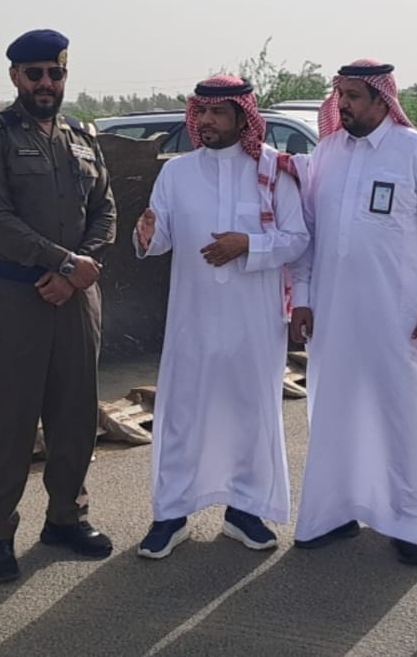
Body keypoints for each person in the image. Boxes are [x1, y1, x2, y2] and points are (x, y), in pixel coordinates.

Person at [0, 29, 117, 582]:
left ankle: (66, 518)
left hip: (75, 298)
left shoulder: (81, 136)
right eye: (35, 74)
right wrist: (65, 263)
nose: (46, 83)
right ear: (15, 78)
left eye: (55, 73)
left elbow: (105, 210)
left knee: (76, 413)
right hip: (10, 297)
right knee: (10, 420)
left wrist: (77, 271)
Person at [131, 75, 309, 559]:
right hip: (193, 318)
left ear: (243, 118)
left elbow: (297, 239)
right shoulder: (177, 174)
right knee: (182, 413)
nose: (206, 121)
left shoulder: (274, 170)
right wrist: (146, 236)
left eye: (218, 113)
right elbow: (159, 237)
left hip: (254, 321)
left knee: (250, 411)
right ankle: (171, 513)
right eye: (201, 113)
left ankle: (244, 511)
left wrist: (247, 244)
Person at [287, 61, 417, 566]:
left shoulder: (416, 151)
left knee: (401, 416)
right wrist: (303, 296)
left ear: (383, 100)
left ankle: (408, 523)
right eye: (340, 95)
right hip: (334, 313)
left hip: (398, 315)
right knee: (334, 411)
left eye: (355, 96)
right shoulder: (327, 152)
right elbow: (308, 232)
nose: (344, 105)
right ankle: (333, 514)